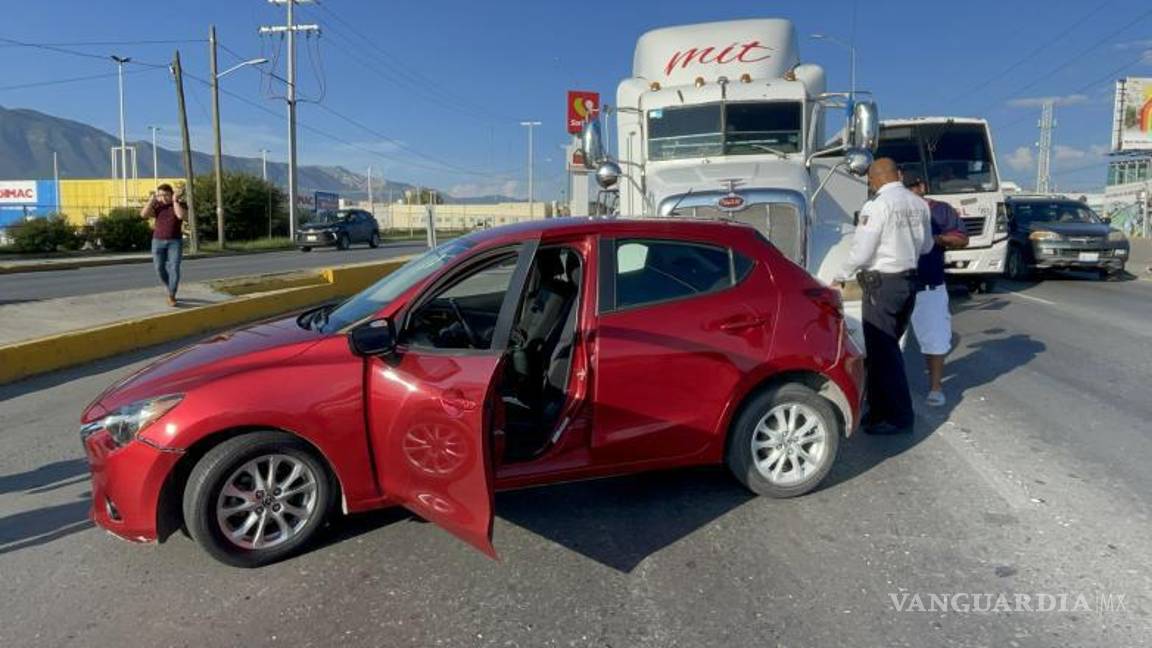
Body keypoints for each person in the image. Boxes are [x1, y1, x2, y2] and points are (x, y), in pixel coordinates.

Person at [840, 158, 933, 434]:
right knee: (884, 351)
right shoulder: (919, 203)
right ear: (898, 174)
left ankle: (900, 417)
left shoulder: (877, 205)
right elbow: (927, 246)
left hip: (882, 286)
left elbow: (862, 251)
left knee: (885, 353)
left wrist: (840, 275)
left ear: (873, 179)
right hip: (907, 283)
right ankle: (878, 412)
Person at [903, 170, 968, 407]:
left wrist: (936, 239)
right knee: (889, 342)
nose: (911, 192)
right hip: (897, 285)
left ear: (922, 186)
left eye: (913, 186)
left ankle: (936, 387)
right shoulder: (896, 210)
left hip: (929, 286)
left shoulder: (940, 210)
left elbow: (962, 238)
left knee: (936, 340)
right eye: (905, 188)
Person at [140, 183, 187, 306]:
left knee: (174, 268)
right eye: (160, 195)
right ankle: (170, 287)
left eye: (166, 195)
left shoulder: (180, 204)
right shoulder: (157, 206)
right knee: (159, 268)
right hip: (158, 241)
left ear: (171, 194)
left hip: (175, 242)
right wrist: (151, 200)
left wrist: (175, 201)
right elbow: (143, 215)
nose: (163, 198)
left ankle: (172, 295)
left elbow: (181, 215)